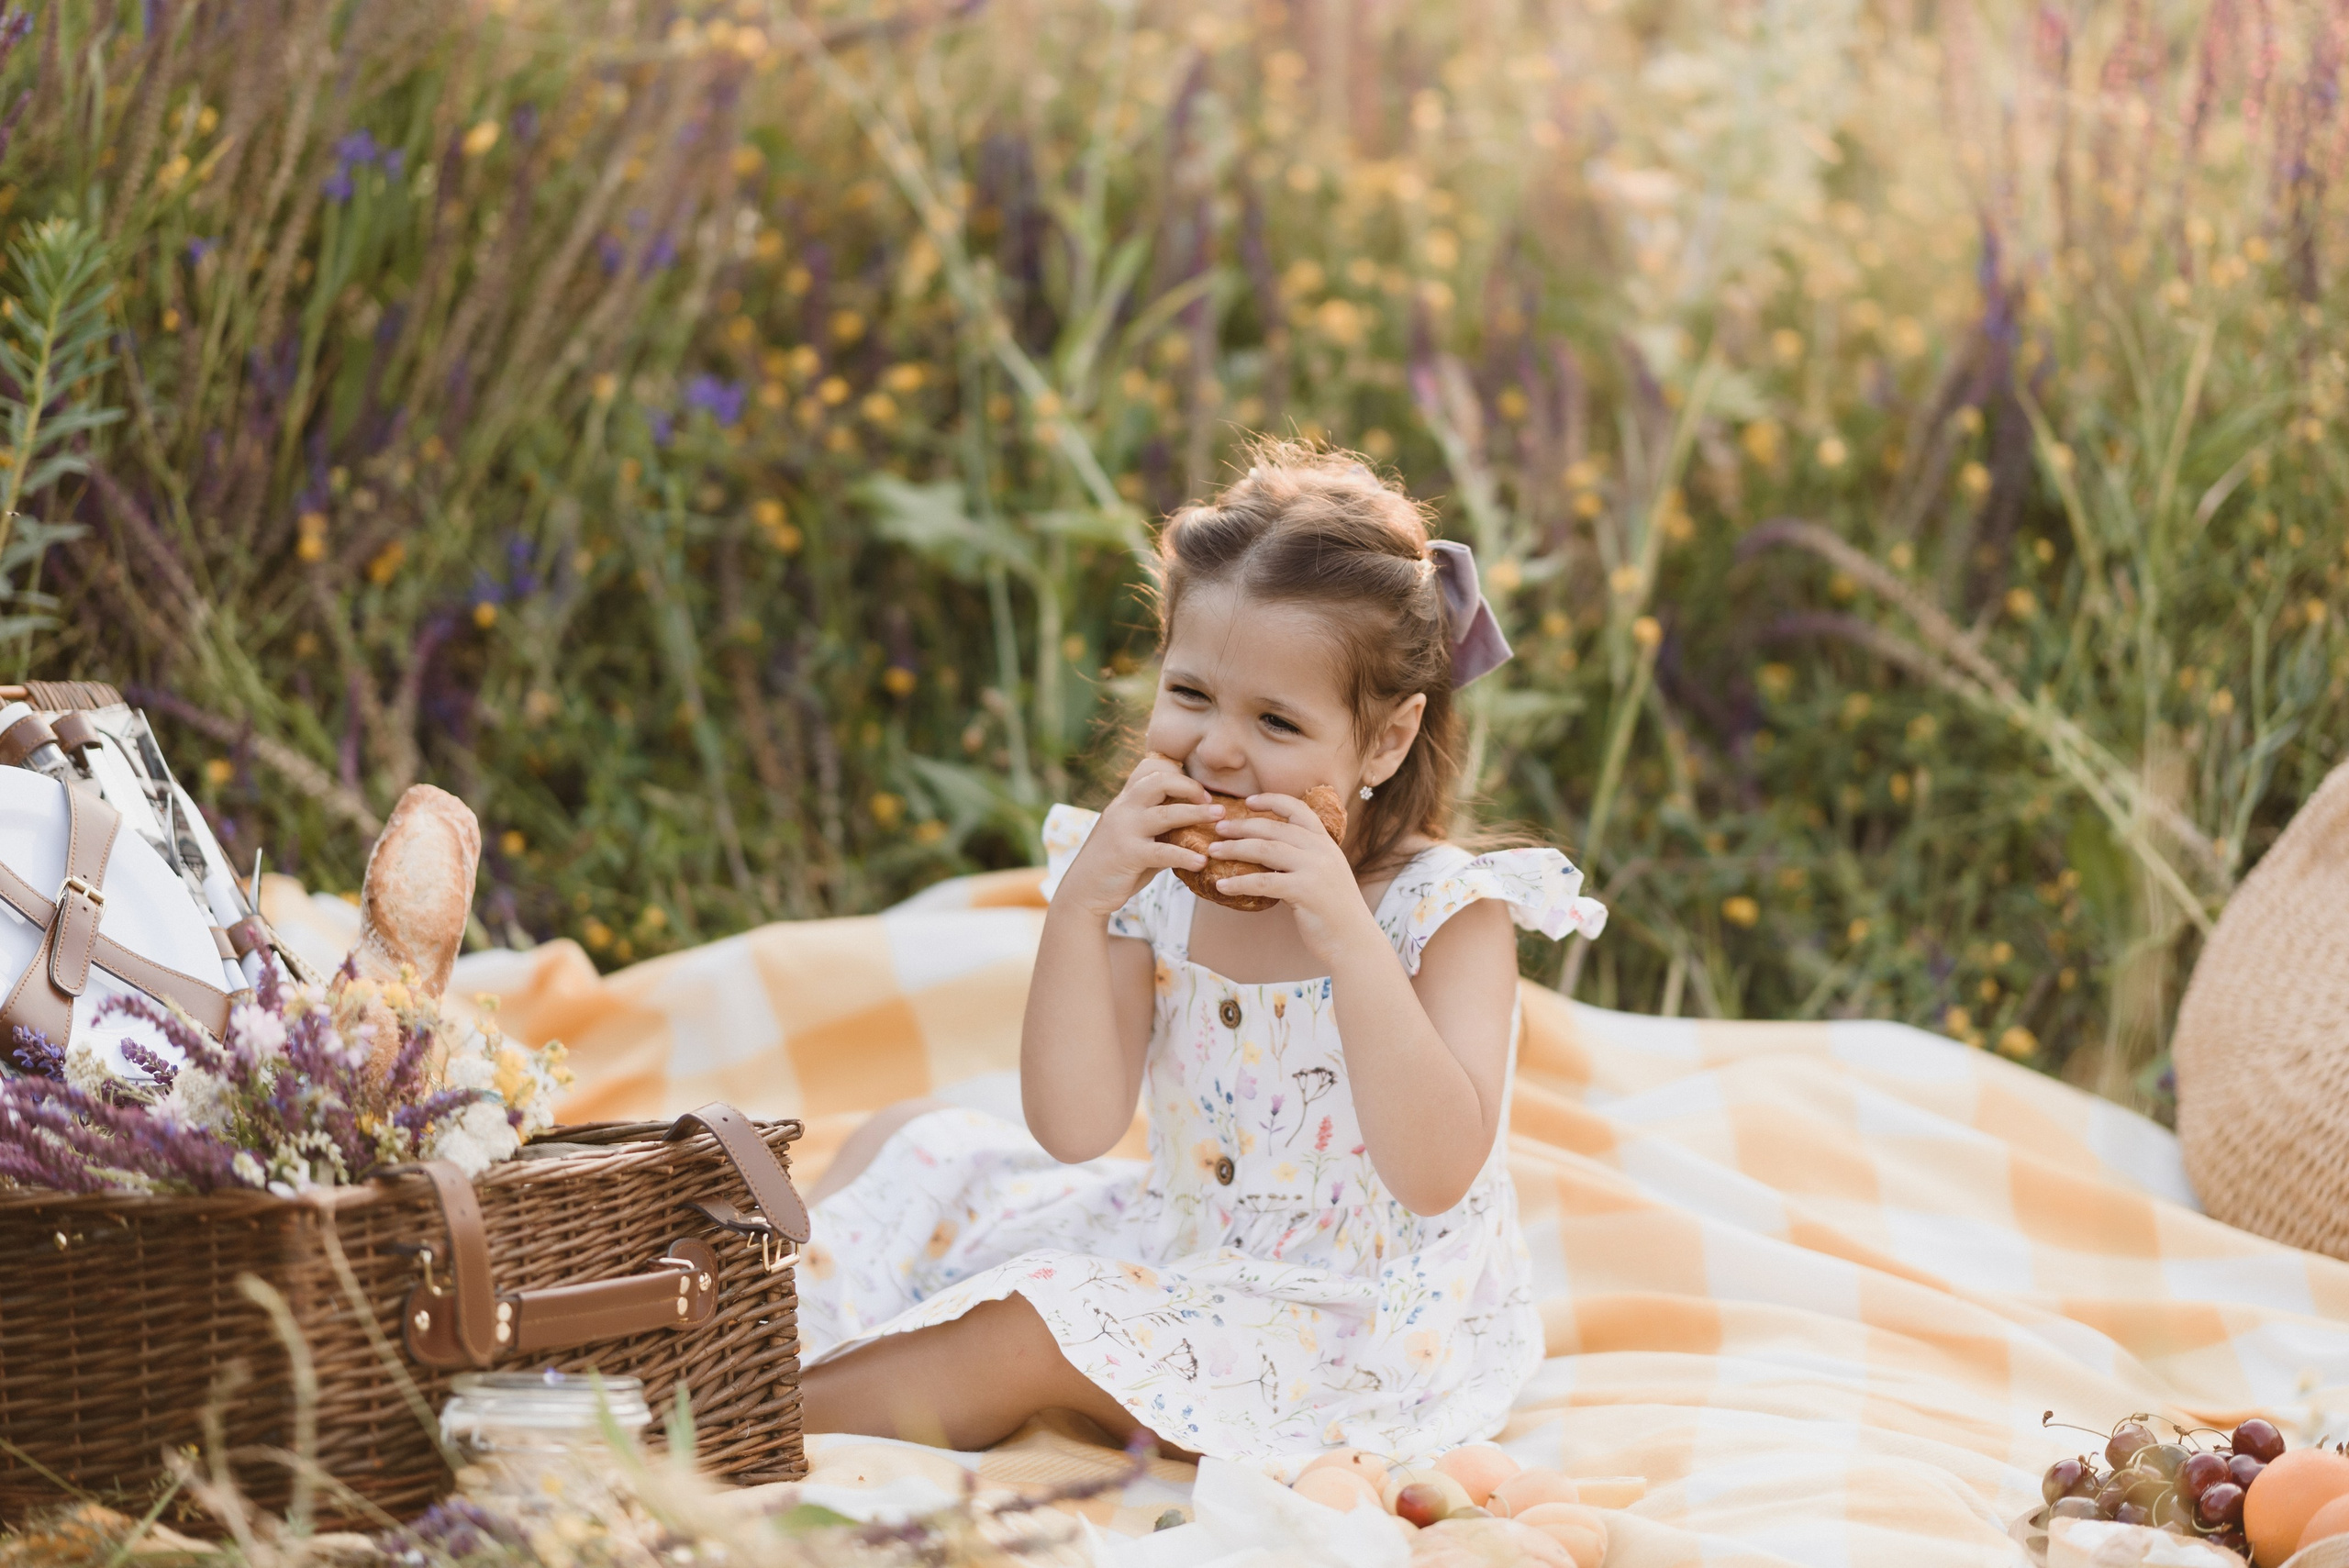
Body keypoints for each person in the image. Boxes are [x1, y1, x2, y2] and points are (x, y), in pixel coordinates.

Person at [795, 441, 1607, 1470]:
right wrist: (1084, 904)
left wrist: (1348, 941)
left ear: (1388, 741)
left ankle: (735, 1414)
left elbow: (1438, 1169)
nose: (1218, 748)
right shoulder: (1158, 884)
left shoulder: (1443, 910)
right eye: (1189, 695)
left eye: (1275, 719)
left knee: (1030, 1326)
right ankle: (751, 1333)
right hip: (1180, 1245)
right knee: (916, 1140)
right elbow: (1076, 1125)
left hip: (1348, 1329)